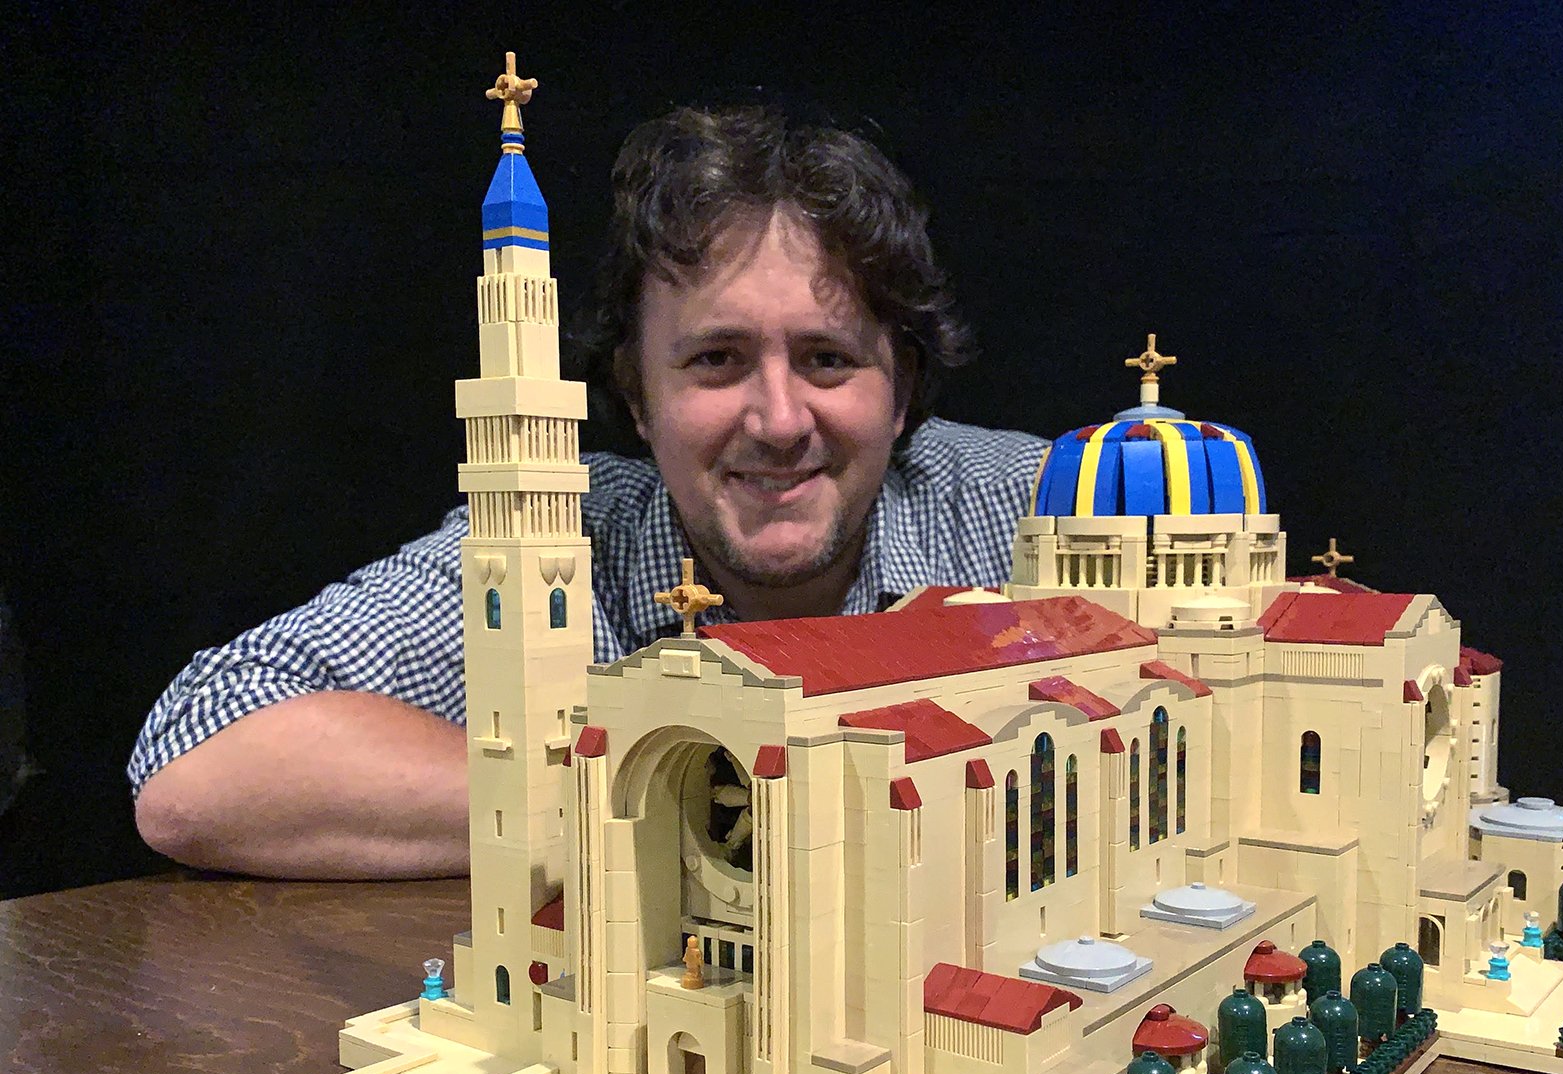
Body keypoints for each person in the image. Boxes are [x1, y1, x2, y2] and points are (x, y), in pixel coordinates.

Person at [130, 104, 1049, 879]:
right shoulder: (552, 538)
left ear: (901, 393)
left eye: (827, 358)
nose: (777, 419)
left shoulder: (1041, 505)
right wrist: (656, 806)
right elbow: (193, 762)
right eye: (716, 359)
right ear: (638, 397)